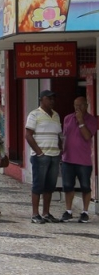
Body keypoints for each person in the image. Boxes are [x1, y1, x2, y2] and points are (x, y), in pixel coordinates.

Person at [25, 90, 62, 224]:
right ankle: (35, 214)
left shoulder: (56, 115)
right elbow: (28, 135)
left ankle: (46, 213)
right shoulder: (34, 114)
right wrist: (39, 152)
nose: (52, 101)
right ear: (41, 99)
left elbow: (58, 135)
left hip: (54, 155)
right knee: (38, 185)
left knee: (50, 186)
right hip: (41, 155)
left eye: (53, 98)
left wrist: (60, 150)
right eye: (49, 98)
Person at [60, 96, 97, 223]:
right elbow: (64, 136)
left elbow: (87, 136)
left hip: (84, 160)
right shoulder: (67, 118)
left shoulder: (92, 120)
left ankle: (85, 212)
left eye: (80, 105)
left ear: (86, 105)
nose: (77, 108)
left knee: (85, 186)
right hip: (67, 159)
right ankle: (68, 211)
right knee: (68, 186)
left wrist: (81, 121)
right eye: (75, 105)